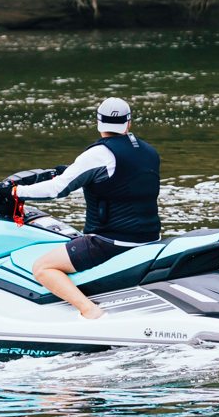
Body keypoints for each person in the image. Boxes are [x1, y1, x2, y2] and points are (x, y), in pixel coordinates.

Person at [12, 96, 161, 319]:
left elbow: (57, 189)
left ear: (98, 123)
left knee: (43, 267)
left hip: (110, 243)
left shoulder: (98, 154)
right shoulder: (150, 152)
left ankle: (90, 311)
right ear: (128, 123)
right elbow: (124, 180)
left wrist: (17, 191)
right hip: (150, 238)